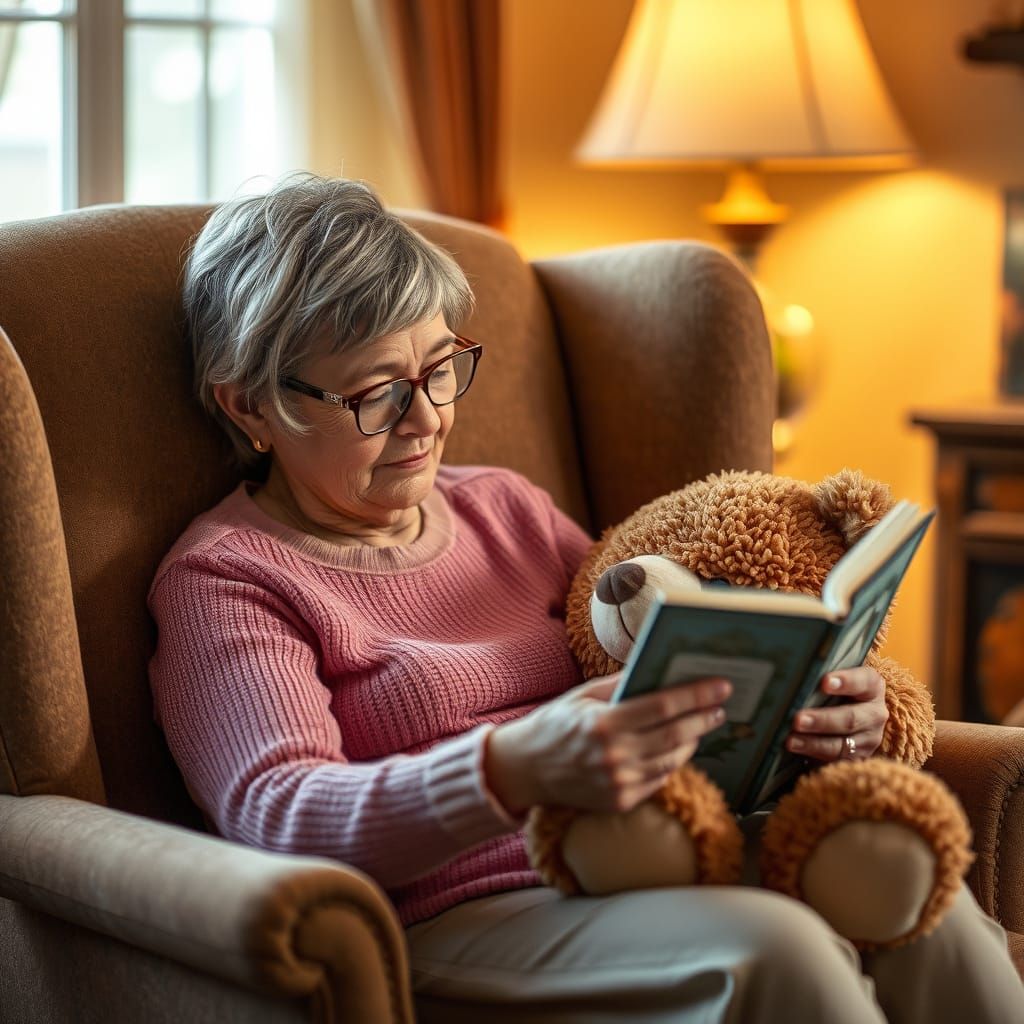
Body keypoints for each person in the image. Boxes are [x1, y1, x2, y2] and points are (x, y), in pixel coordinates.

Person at [148, 173, 1024, 1024]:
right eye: (376, 394)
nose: (425, 420)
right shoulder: (231, 577)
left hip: (653, 852)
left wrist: (828, 710)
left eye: (441, 367)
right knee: (773, 950)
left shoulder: (504, 506)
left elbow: (633, 646)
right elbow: (280, 814)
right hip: (451, 907)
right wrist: (510, 769)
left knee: (929, 915)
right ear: (249, 405)